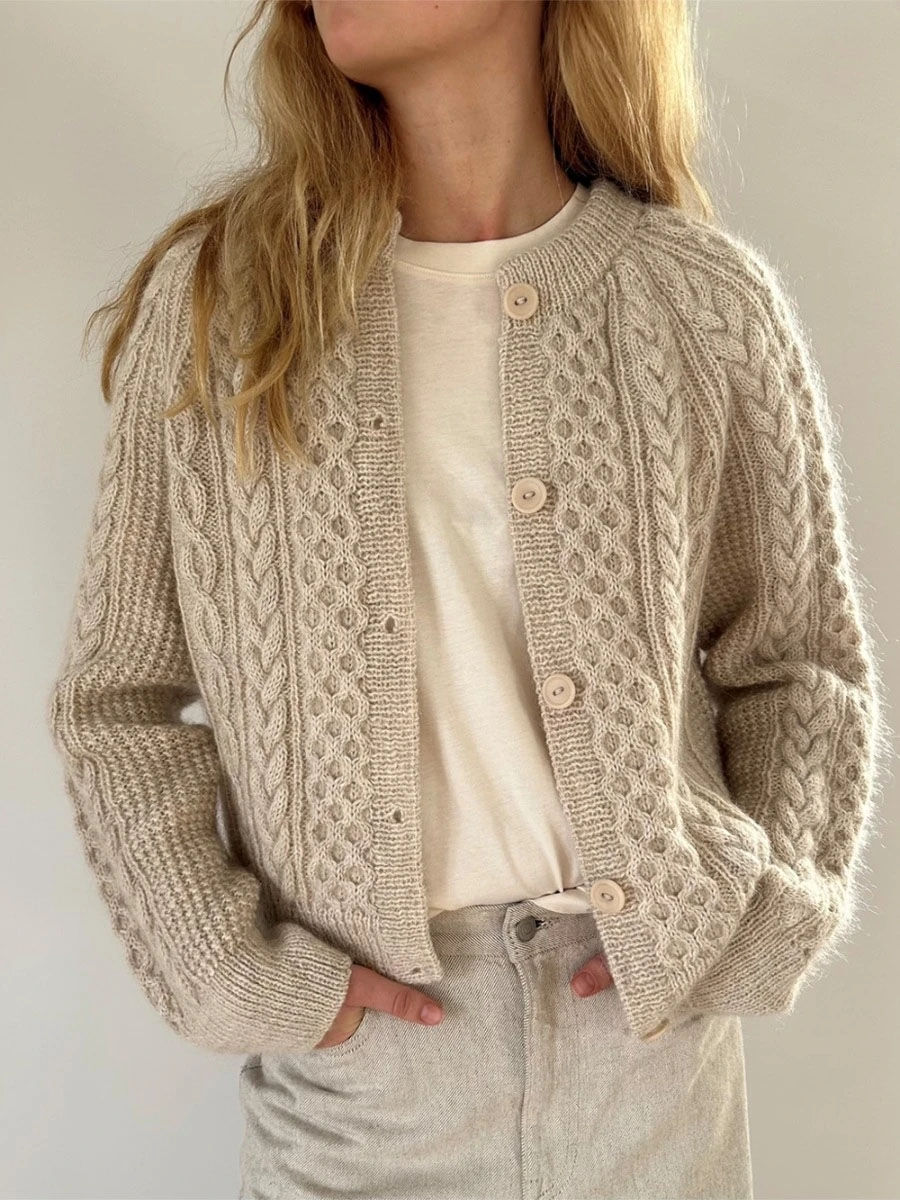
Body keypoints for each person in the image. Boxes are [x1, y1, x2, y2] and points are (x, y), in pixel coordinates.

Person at [46, 1, 887, 1198]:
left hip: (649, 1057)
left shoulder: (697, 302)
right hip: (367, 1081)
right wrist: (229, 968)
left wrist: (760, 918)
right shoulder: (232, 304)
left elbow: (799, 665)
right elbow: (119, 699)